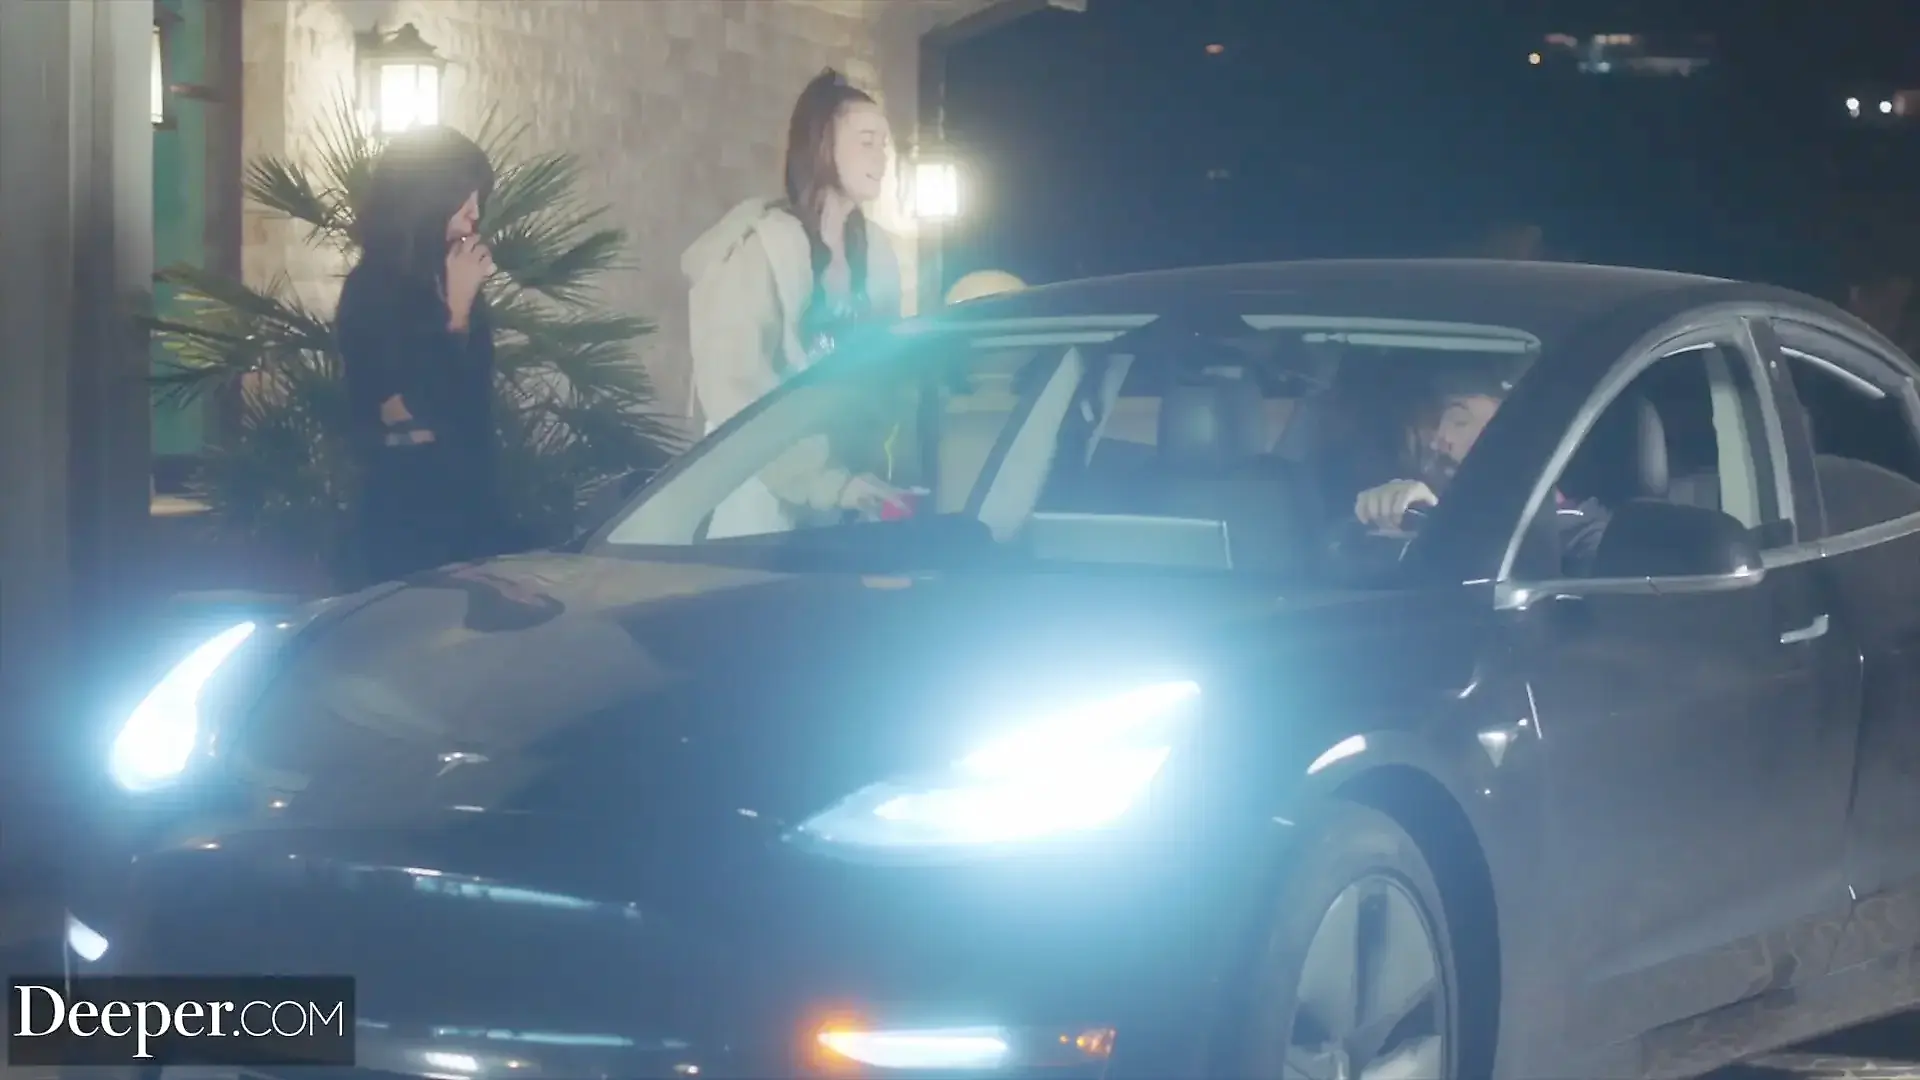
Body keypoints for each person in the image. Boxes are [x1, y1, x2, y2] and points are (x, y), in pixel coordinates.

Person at [682, 69, 905, 537]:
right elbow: (736, 389)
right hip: (767, 491)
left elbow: (890, 372)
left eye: (884, 144)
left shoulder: (878, 254)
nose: (882, 157)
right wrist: (822, 480)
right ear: (822, 145)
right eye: (867, 141)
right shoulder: (760, 249)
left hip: (853, 489)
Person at [337, 125, 501, 585]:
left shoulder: (450, 277)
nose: (474, 214)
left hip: (471, 506)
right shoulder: (371, 289)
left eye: (478, 199)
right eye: (464, 199)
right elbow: (407, 406)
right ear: (424, 198)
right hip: (406, 514)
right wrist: (456, 316)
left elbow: (474, 402)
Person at [1353, 369, 1609, 574]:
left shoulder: (1587, 537)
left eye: (1459, 421)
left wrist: (1442, 523)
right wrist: (1387, 516)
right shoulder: (1415, 513)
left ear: (1518, 427)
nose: (1440, 440)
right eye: (1433, 424)